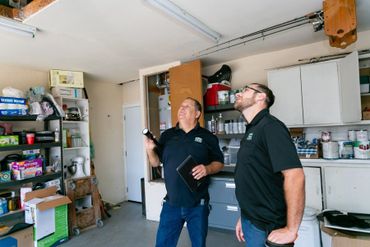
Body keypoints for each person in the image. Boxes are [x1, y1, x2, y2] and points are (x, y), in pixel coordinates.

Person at [144, 97, 224, 247]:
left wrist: (207, 169)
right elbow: (155, 162)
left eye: (187, 106)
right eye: (181, 105)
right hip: (171, 203)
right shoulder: (167, 135)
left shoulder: (208, 137)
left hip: (197, 205)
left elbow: (219, 163)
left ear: (197, 113)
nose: (181, 108)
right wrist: (149, 150)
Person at [233, 83, 305, 247]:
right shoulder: (253, 129)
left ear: (260, 96)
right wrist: (244, 216)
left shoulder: (270, 127)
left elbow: (295, 176)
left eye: (245, 90)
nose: (239, 94)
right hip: (251, 218)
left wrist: (291, 229)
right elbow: (255, 176)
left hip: (266, 224)